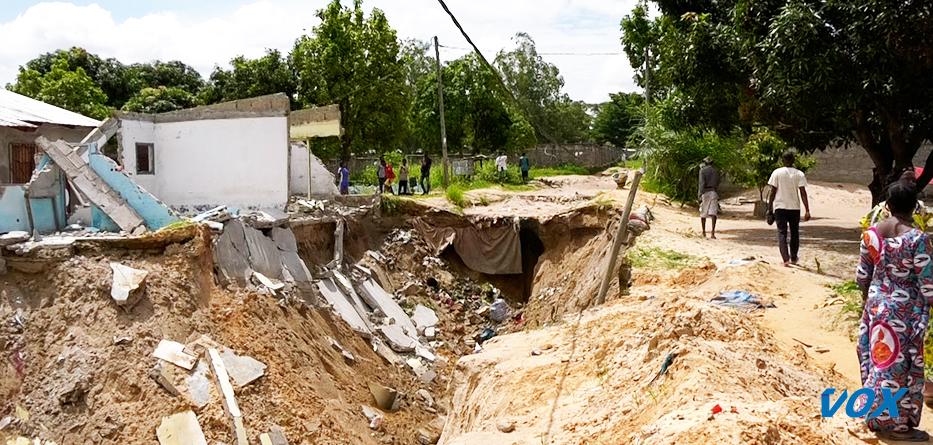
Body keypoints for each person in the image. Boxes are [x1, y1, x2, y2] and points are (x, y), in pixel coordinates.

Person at [856, 180, 933, 442]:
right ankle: (899, 428)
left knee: (879, 363)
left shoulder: (871, 235)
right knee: (901, 369)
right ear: (914, 207)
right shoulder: (918, 239)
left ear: (887, 205)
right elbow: (928, 284)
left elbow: (861, 277)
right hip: (906, 313)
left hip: (877, 308)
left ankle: (875, 418)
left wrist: (872, 303)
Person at [767, 151, 811, 266]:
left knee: (782, 233)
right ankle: (794, 257)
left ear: (783, 160)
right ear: (794, 160)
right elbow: (803, 193)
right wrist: (807, 210)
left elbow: (772, 192)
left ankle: (785, 259)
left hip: (780, 207)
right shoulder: (799, 174)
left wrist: (769, 208)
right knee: (794, 233)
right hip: (794, 208)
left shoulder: (777, 172)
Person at [698, 157, 721, 239]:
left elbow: (701, 184)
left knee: (703, 212)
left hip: (705, 192)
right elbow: (718, 182)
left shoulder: (702, 171)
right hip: (714, 192)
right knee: (713, 213)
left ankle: (704, 232)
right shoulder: (716, 171)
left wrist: (700, 195)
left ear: (705, 163)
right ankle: (712, 233)